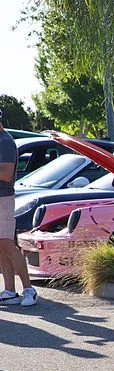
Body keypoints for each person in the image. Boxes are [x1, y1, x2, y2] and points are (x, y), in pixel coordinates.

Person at [0, 110, 37, 306]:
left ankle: (29, 289)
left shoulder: (5, 141)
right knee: (0, 246)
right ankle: (9, 291)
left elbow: (6, 174)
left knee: (7, 244)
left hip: (3, 199)